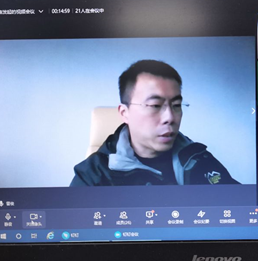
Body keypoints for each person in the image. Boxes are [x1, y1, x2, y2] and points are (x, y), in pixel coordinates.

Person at [70, 59, 239, 186]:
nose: (170, 117)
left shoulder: (196, 157)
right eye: (155, 105)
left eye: (176, 105)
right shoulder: (93, 176)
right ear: (125, 113)